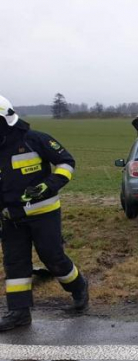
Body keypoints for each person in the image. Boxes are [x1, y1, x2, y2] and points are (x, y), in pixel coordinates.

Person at [0, 95, 88, 331]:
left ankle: (78, 287)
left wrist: (49, 185)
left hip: (44, 213)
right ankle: (19, 313)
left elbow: (66, 162)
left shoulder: (34, 139)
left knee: (52, 258)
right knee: (15, 264)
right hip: (10, 218)